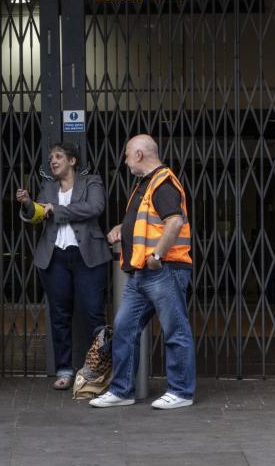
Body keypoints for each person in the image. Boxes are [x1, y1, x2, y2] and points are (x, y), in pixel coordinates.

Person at [90, 134, 195, 410]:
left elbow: (174, 222)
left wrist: (157, 255)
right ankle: (122, 390)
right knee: (124, 328)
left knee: (175, 329)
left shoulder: (163, 183)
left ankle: (182, 391)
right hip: (141, 273)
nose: (125, 162)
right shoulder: (146, 184)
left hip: (164, 269)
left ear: (138, 155)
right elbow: (146, 224)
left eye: (126, 155)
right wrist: (121, 231)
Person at [16, 142, 112, 390]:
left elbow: (94, 207)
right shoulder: (48, 187)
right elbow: (38, 215)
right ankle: (64, 369)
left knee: (93, 314)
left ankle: (100, 371)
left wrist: (56, 210)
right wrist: (28, 204)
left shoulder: (91, 182)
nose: (53, 161)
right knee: (59, 315)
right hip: (55, 257)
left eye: (58, 157)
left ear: (72, 160)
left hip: (87, 257)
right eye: (51, 158)